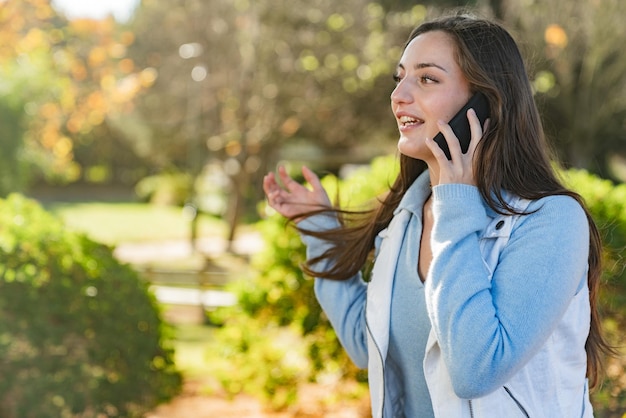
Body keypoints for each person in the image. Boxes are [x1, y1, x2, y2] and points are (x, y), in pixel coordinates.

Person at [263, 12, 613, 418]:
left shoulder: (551, 220)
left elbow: (475, 370)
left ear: (485, 102)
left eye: (427, 79)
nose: (399, 95)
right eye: (400, 78)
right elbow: (369, 345)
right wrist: (319, 228)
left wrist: (456, 205)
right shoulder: (407, 217)